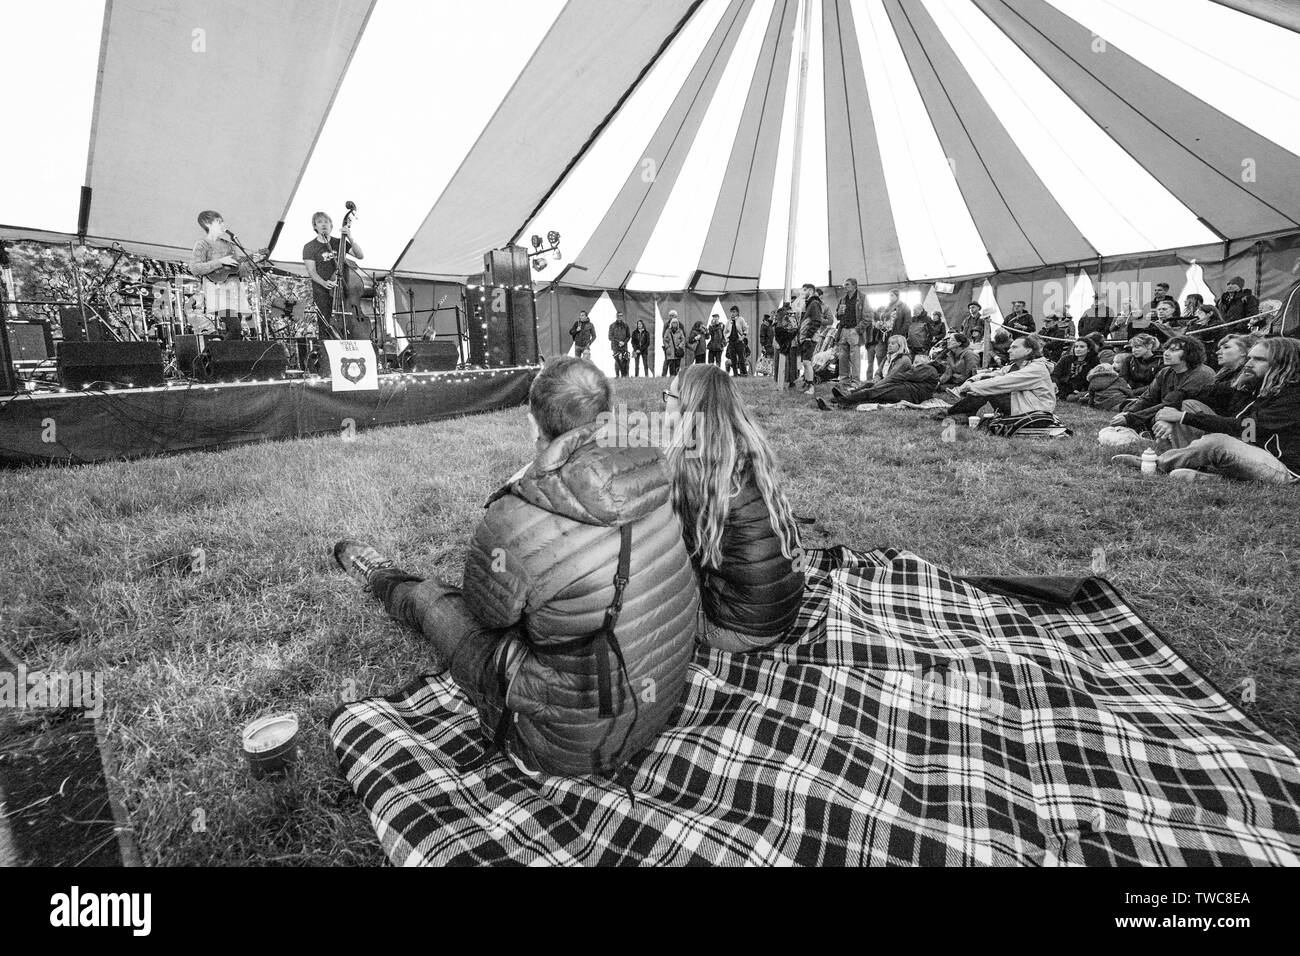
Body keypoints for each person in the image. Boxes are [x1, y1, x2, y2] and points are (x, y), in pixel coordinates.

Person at [332, 357, 700, 777]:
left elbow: (488, 616)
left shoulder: (514, 516)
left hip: (563, 744)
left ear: (531, 423)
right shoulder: (651, 470)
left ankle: (380, 576)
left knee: (435, 601)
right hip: (656, 700)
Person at [663, 364, 804, 651]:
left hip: (740, 629)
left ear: (686, 408)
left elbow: (675, 554)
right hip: (781, 613)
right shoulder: (746, 448)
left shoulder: (690, 467)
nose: (664, 403)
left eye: (669, 396)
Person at [1113, 338, 1300, 484]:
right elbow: (1188, 392)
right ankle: (1207, 472)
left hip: (1281, 467)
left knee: (1218, 441)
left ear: (1283, 364)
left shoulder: (1293, 396)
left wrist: (1184, 417)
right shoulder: (1252, 386)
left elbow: (1248, 428)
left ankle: (1158, 464)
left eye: (1258, 359)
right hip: (1249, 453)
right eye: (1250, 357)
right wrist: (1171, 410)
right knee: (1189, 403)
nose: (1248, 363)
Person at [1154, 333, 1259, 449]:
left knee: (1187, 406)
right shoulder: (1227, 378)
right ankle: (1174, 454)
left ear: (1244, 352)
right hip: (1231, 430)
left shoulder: (1253, 381)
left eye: (1226, 347)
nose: (1218, 352)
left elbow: (1245, 427)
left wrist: (1182, 416)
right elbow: (1183, 393)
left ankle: (1183, 457)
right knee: (1180, 406)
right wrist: (1171, 411)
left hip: (1248, 440)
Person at [934, 334, 1055, 423]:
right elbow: (993, 374)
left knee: (991, 388)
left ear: (1028, 350)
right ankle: (963, 414)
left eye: (1014, 347)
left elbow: (1003, 382)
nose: (1008, 350)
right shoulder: (1014, 366)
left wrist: (971, 386)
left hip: (1036, 411)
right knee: (987, 382)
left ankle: (953, 412)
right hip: (1022, 404)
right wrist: (972, 380)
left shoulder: (1037, 369)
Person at [1110, 334, 1214, 433]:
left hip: (1192, 416)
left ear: (1190, 353)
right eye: (1167, 349)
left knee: (1159, 418)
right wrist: (1128, 412)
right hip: (1167, 409)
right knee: (1129, 407)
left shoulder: (1201, 374)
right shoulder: (1165, 372)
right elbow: (1148, 398)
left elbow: (1173, 403)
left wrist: (1131, 418)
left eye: (1174, 350)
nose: (1166, 353)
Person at [303, 210, 369, 340]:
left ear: (331, 226)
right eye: (320, 222)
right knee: (326, 325)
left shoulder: (340, 242)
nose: (323, 224)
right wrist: (324, 282)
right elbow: (311, 271)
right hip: (323, 291)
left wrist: (350, 237)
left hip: (344, 290)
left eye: (326, 222)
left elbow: (360, 255)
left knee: (349, 320)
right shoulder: (309, 246)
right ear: (315, 226)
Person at [191, 209, 253, 338]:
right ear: (207, 224)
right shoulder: (202, 244)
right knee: (235, 328)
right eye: (219, 222)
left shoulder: (230, 245)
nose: (223, 225)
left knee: (239, 331)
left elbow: (239, 272)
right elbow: (195, 268)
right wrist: (220, 262)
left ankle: (230, 356)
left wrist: (252, 263)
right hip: (219, 293)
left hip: (235, 292)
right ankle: (216, 355)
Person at [819, 352, 940, 410]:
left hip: (909, 391)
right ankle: (842, 401)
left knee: (873, 392)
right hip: (910, 392)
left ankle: (839, 401)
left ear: (927, 360)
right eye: (915, 362)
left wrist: (887, 382)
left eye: (918, 362)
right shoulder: (929, 370)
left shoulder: (928, 368)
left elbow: (905, 376)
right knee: (874, 396)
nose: (914, 365)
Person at [831, 279, 865, 382]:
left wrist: (857, 329)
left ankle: (855, 381)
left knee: (854, 358)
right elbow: (837, 315)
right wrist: (839, 313)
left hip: (854, 330)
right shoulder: (843, 299)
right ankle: (844, 379)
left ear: (854, 285)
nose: (844, 287)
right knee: (842, 357)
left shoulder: (862, 298)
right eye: (844, 285)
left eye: (847, 284)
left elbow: (868, 316)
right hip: (844, 330)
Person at [797, 282, 824, 395]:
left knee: (807, 362)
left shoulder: (814, 303)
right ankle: (808, 385)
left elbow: (816, 321)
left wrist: (808, 337)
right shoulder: (809, 304)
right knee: (805, 362)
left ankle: (811, 387)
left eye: (804, 289)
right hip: (806, 338)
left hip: (810, 338)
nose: (802, 292)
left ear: (811, 291)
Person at [724, 306, 749, 376]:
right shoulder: (729, 321)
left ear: (737, 312)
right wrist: (727, 339)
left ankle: (744, 373)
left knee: (741, 358)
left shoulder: (741, 319)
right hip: (731, 342)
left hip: (739, 341)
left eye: (734, 312)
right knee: (733, 359)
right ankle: (735, 374)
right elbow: (725, 332)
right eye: (731, 312)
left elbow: (746, 329)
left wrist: (743, 336)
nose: (732, 313)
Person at [662, 310, 685, 376]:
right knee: (668, 362)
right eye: (670, 315)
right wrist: (667, 346)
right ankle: (664, 376)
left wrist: (680, 345)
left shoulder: (680, 326)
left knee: (677, 363)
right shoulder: (666, 325)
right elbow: (664, 337)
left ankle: (676, 376)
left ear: (676, 316)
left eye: (672, 315)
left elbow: (683, 337)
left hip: (678, 348)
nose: (671, 317)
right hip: (669, 347)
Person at [609, 310, 630, 378]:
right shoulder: (612, 326)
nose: (619, 317)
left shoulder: (626, 325)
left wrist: (624, 342)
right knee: (617, 361)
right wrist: (619, 342)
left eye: (621, 316)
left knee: (625, 360)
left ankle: (625, 375)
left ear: (622, 317)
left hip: (624, 346)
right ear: (616, 316)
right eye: (618, 316)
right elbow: (610, 337)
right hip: (615, 346)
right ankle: (617, 375)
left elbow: (628, 336)